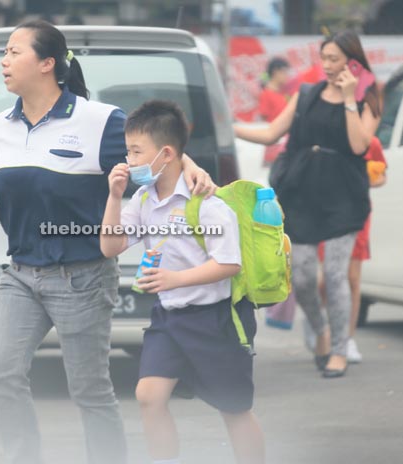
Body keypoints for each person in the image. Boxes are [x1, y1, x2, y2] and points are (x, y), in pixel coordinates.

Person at [0, 20, 215, 464]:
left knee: (89, 389)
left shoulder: (98, 120)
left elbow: (151, 151)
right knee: (1, 373)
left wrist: (190, 165)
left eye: (14, 52)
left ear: (47, 63)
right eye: (4, 53)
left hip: (83, 278)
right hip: (21, 276)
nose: (4, 62)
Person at [100, 100, 265, 464]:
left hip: (215, 320)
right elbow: (110, 245)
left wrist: (177, 278)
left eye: (135, 151)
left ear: (167, 153)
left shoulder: (207, 203)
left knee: (234, 409)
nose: (128, 160)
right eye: (127, 150)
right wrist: (114, 196)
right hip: (169, 318)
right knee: (149, 395)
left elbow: (229, 263)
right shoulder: (143, 199)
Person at [234, 30, 381, 378]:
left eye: (335, 59)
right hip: (302, 194)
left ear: (353, 62)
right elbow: (271, 133)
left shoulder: (369, 96)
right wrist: (228, 127)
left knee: (334, 275)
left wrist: (348, 98)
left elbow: (360, 145)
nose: (327, 66)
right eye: (324, 58)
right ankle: (322, 331)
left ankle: (340, 350)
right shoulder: (305, 94)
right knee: (300, 277)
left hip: (343, 197)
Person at [315, 135, 387, 362]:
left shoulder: (369, 142)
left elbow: (382, 176)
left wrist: (366, 178)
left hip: (357, 212)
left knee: (352, 277)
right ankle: (323, 330)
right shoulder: (321, 138)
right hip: (324, 213)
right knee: (325, 279)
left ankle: (347, 339)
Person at [258, 57, 290, 123]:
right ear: (275, 72)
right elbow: (263, 119)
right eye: (284, 72)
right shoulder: (266, 94)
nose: (287, 75)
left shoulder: (283, 93)